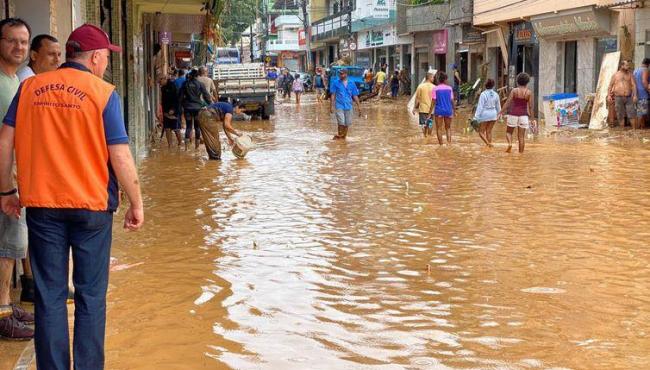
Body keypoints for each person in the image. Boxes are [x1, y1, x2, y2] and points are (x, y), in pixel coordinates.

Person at [0, 23, 143, 367]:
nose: (106, 64)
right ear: (95, 57)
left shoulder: (29, 86)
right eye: (107, 57)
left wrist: (6, 190)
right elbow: (120, 154)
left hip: (42, 207)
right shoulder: (103, 93)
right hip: (91, 209)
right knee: (90, 296)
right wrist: (137, 202)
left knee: (49, 296)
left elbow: (5, 141)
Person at [16, 33, 64, 306]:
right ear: (34, 55)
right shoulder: (27, 82)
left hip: (36, 166)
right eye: (51, 54)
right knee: (23, 229)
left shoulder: (40, 81)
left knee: (28, 229)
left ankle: (35, 284)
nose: (57, 59)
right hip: (26, 167)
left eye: (59, 54)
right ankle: (32, 285)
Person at [0, 17, 34, 341]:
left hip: (13, 179)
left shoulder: (17, 82)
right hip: (4, 183)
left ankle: (8, 305)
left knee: (12, 245)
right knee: (7, 247)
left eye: (23, 41)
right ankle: (3, 313)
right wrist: (5, 186)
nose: (19, 47)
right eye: (12, 40)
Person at [500, 72, 534, 153]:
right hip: (524, 116)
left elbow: (508, 103)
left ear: (517, 81)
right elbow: (531, 107)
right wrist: (532, 119)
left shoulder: (514, 91)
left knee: (509, 133)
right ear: (527, 82)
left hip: (513, 115)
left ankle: (510, 144)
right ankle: (521, 155)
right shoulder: (529, 92)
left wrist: (501, 112)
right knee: (521, 137)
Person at [180, 69, 212, 150]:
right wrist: (210, 105)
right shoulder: (200, 84)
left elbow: (180, 96)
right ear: (197, 76)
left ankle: (186, 148)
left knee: (188, 127)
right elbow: (206, 96)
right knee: (197, 127)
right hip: (198, 108)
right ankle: (196, 148)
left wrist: (182, 105)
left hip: (187, 108)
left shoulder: (185, 84)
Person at [330, 69, 361, 140]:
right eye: (340, 74)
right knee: (341, 122)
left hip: (349, 106)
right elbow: (333, 95)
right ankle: (340, 138)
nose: (341, 75)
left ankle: (343, 138)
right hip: (339, 105)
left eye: (342, 74)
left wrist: (359, 107)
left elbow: (355, 96)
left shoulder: (352, 83)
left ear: (346, 74)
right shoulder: (335, 83)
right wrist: (331, 106)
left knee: (347, 124)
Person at [427, 71, 456, 145]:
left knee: (439, 128)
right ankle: (449, 144)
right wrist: (454, 111)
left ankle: (441, 145)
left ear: (438, 80)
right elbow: (452, 101)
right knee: (448, 128)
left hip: (439, 111)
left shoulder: (435, 89)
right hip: (448, 111)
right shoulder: (449, 88)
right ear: (445, 79)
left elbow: (433, 102)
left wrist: (429, 113)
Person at [608, 60, 638, 129]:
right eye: (626, 65)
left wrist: (635, 95)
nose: (628, 66)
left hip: (629, 97)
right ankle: (622, 131)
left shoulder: (630, 74)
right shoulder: (615, 75)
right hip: (618, 97)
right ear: (622, 66)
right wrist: (609, 95)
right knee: (620, 114)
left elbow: (634, 85)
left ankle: (634, 130)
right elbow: (610, 86)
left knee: (632, 114)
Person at [473, 79, 501, 147]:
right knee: (489, 131)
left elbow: (480, 106)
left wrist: (475, 117)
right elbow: (498, 106)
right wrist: (500, 115)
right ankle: (489, 146)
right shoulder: (496, 94)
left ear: (485, 85)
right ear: (493, 85)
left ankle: (488, 144)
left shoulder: (483, 94)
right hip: (493, 115)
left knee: (481, 132)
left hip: (485, 114)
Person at [160, 75, 182, 147]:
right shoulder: (163, 88)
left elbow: (178, 99)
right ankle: (170, 145)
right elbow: (162, 100)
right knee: (167, 128)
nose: (159, 81)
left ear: (165, 79)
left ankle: (180, 143)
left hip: (174, 111)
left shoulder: (173, 86)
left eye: (161, 80)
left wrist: (173, 109)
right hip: (166, 111)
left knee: (176, 129)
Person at [412, 71, 436, 137]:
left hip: (422, 110)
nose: (434, 79)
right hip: (431, 110)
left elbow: (417, 99)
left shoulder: (420, 86)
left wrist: (414, 108)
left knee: (423, 125)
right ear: (430, 78)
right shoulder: (434, 87)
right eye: (433, 77)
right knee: (430, 124)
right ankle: (429, 136)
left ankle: (425, 136)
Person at [633, 58, 650, 129]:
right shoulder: (645, 70)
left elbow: (633, 83)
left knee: (638, 113)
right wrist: (649, 91)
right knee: (642, 114)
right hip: (643, 95)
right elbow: (644, 82)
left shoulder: (636, 70)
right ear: (648, 64)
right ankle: (638, 130)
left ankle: (639, 129)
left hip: (636, 95)